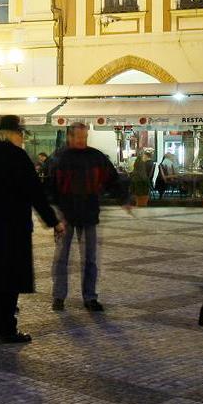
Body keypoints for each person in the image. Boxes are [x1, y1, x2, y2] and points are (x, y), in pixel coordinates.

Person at [0, 115, 63, 344]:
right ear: (11, 134)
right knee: (10, 278)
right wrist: (53, 221)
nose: (23, 139)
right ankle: (7, 329)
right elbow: (35, 193)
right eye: (21, 134)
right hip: (13, 229)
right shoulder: (18, 157)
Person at [44, 121, 123, 313]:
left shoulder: (96, 157)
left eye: (85, 137)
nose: (82, 140)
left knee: (90, 259)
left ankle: (90, 297)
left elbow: (113, 179)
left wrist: (124, 197)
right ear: (70, 137)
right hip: (66, 216)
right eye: (79, 137)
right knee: (61, 259)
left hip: (89, 215)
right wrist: (55, 217)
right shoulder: (58, 158)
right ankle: (59, 296)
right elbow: (49, 188)